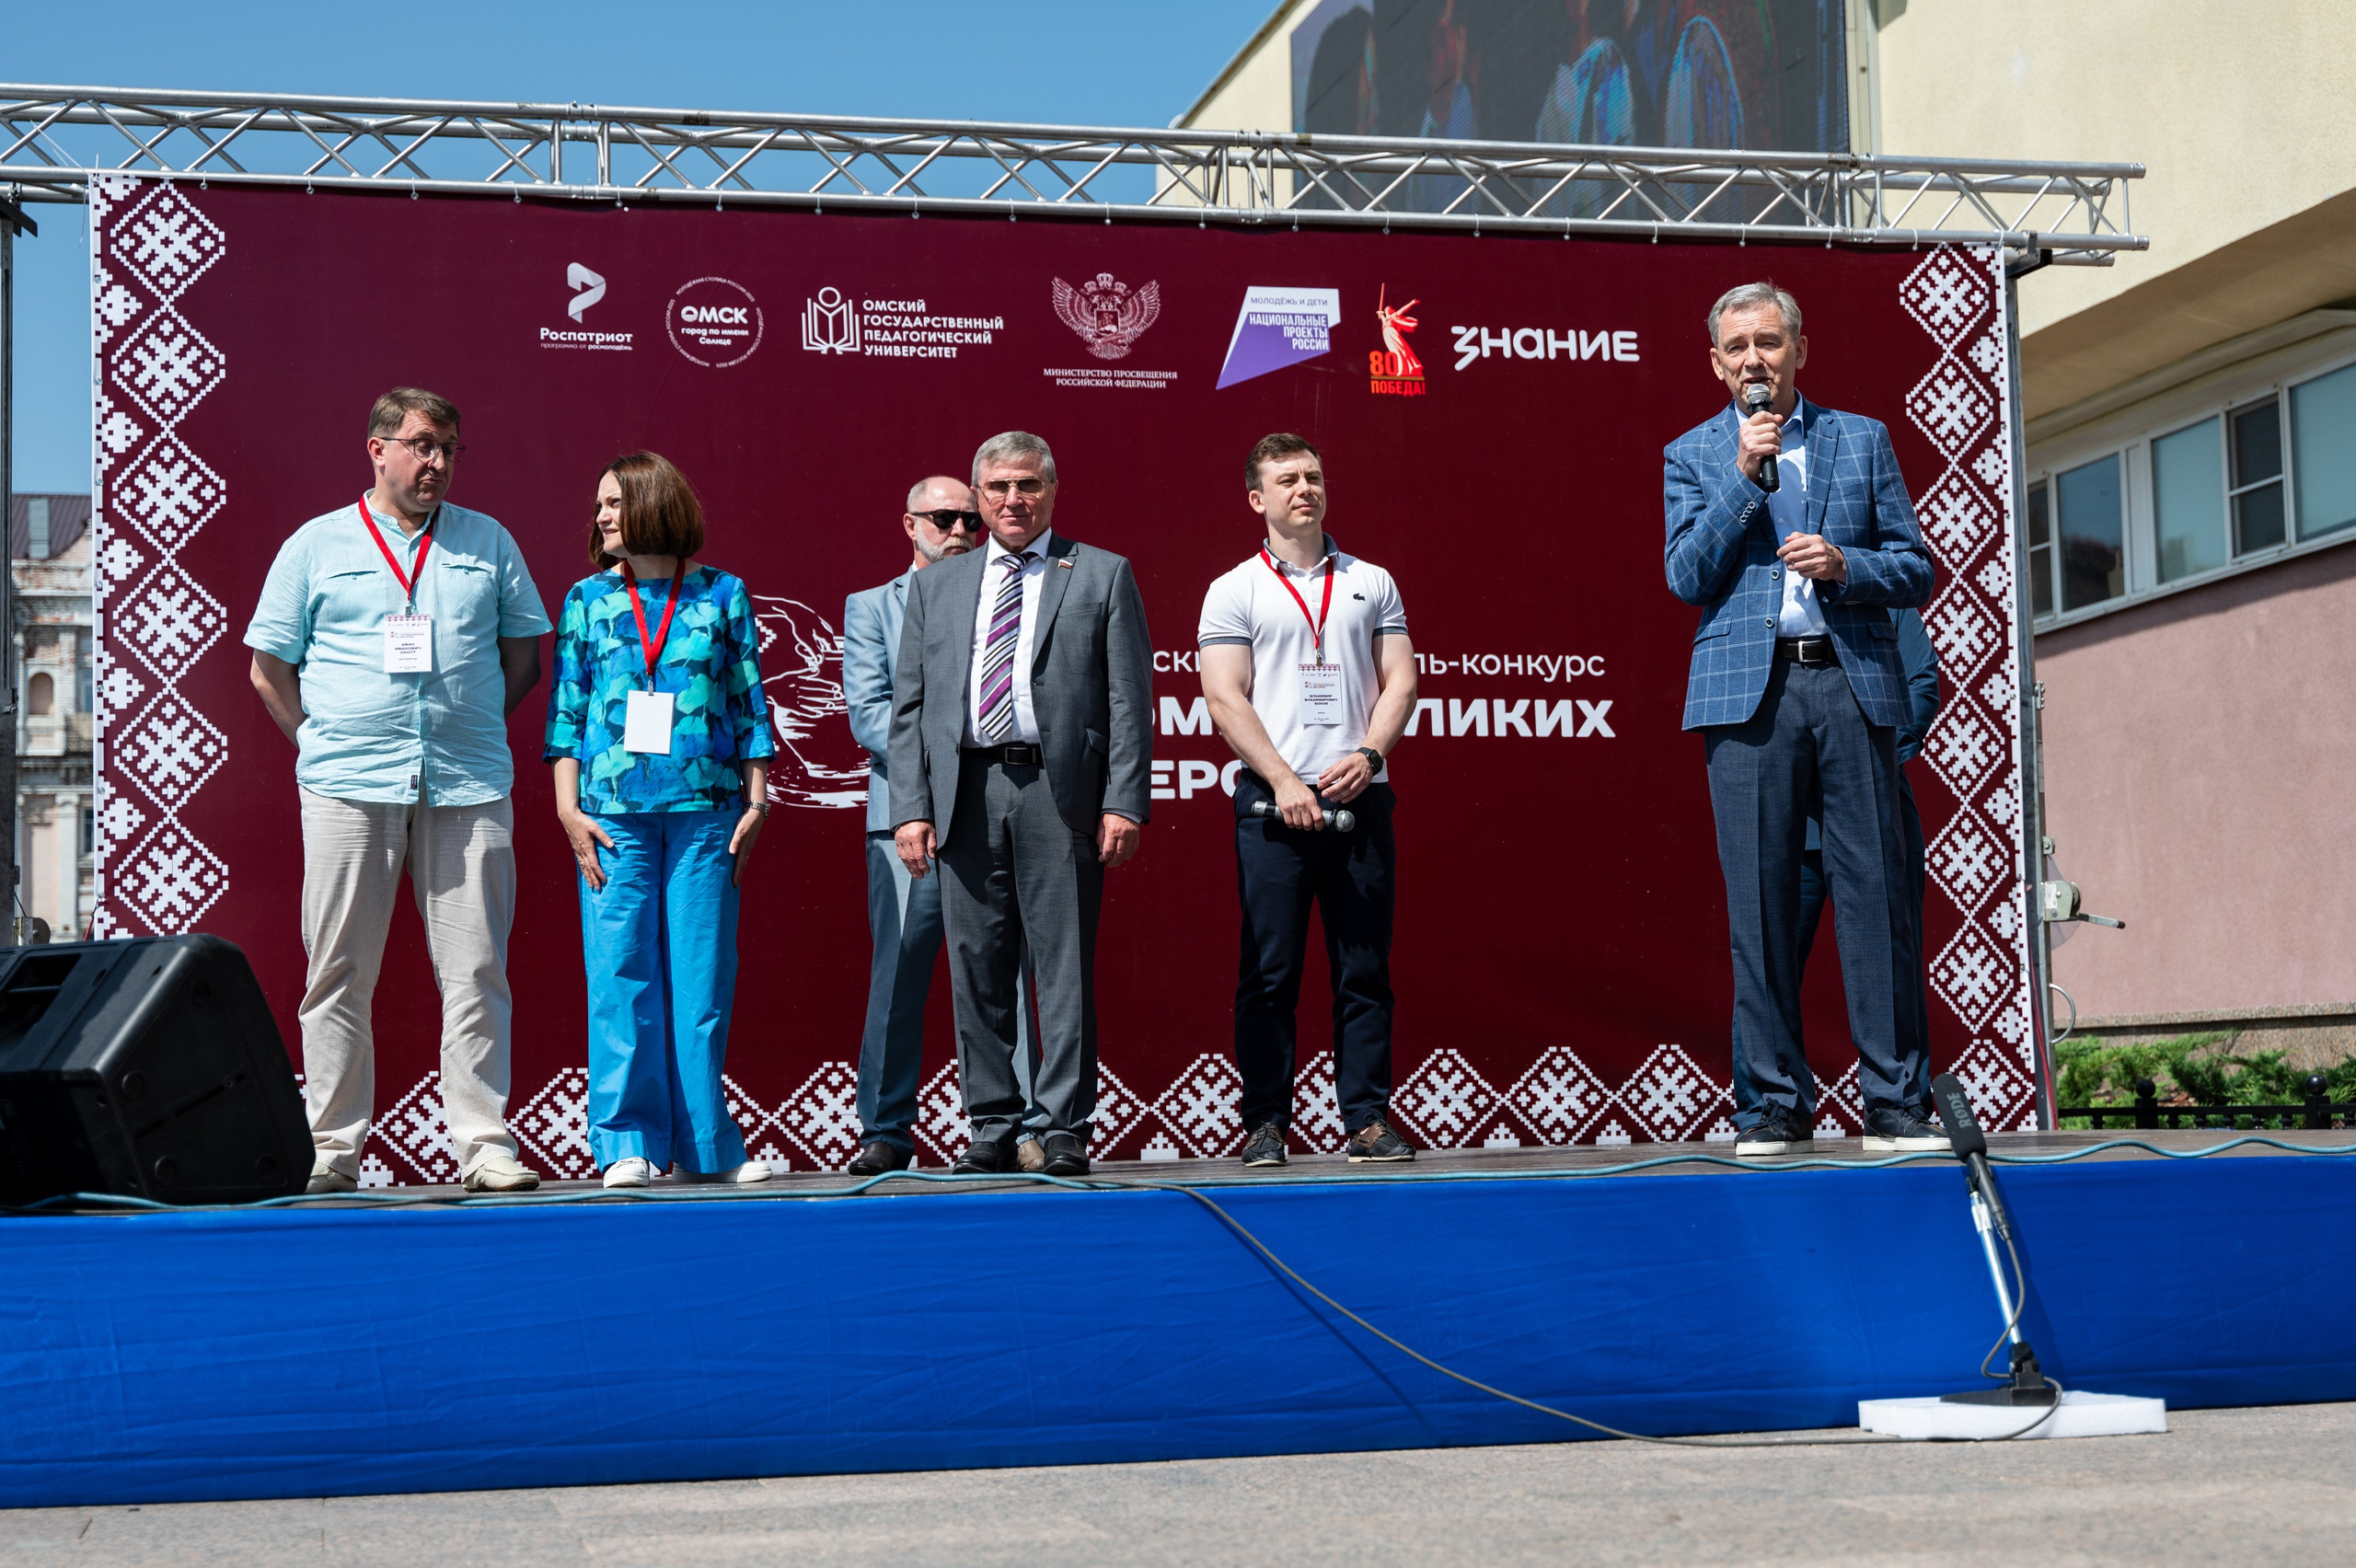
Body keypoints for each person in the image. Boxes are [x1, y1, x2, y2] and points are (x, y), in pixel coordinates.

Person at [1663, 282, 1946, 1159]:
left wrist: (1846, 562)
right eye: (1738, 347)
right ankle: (1773, 1107)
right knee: (1760, 902)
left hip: (1850, 682)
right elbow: (1685, 575)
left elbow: (1915, 566)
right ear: (1716, 363)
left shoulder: (1860, 439)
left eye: (1770, 342)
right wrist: (1745, 484)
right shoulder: (1695, 453)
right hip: (1748, 701)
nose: (1755, 359)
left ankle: (1897, 1103)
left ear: (1800, 350)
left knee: (1876, 901)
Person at [245, 387, 550, 1194]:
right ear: (377, 448)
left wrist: (467, 719)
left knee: (478, 966)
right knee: (339, 969)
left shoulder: (488, 541)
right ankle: (333, 1150)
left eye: (449, 448)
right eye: (421, 445)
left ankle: (484, 1145)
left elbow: (524, 658)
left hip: (467, 782)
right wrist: (321, 742)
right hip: (349, 785)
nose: (437, 463)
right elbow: (268, 668)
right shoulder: (315, 544)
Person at [888, 432, 1153, 1179]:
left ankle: (1065, 1123)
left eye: (1028, 486)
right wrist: (911, 807)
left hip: (1058, 792)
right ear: (977, 496)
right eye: (999, 487)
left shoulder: (1101, 574)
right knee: (975, 966)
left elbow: (1131, 700)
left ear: (1052, 492)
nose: (1013, 500)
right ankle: (993, 1122)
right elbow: (910, 709)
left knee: (1062, 967)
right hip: (965, 792)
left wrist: (1125, 799)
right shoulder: (937, 586)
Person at [545, 452, 775, 1191]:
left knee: (701, 985)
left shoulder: (722, 594)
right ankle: (627, 1148)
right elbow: (568, 710)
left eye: (615, 503)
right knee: (620, 979)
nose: (603, 516)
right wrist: (566, 807)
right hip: (612, 818)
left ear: (652, 504)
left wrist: (758, 797)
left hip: (708, 814)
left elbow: (749, 704)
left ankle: (709, 1146)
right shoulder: (586, 599)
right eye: (601, 504)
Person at [1199, 434, 1419, 1166]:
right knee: (1268, 975)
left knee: (1364, 971)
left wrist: (1367, 754)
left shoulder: (1373, 580)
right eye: (1287, 480)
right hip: (1274, 810)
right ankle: (1265, 1124)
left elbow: (1402, 682)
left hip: (1362, 802)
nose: (1305, 489)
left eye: (1315, 476)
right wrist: (1285, 781)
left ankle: (1365, 1120)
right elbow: (1224, 696)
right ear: (1257, 499)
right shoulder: (1236, 588)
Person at [842, 478, 1048, 1177]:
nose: (959, 528)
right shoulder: (873, 607)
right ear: (910, 524)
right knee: (899, 977)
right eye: (943, 518)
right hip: (908, 816)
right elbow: (872, 715)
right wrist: (940, 780)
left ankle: (1012, 1126)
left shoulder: (1009, 591)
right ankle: (887, 1129)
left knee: (1002, 973)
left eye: (969, 517)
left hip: (995, 811)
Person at [1728, 608, 1942, 1123]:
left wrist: (1860, 760)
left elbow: (1920, 685)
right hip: (1792, 833)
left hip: (1877, 808)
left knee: (1892, 958)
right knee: (1765, 962)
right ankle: (1771, 1110)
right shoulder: (1761, 598)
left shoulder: (1875, 587)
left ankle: (1900, 1104)